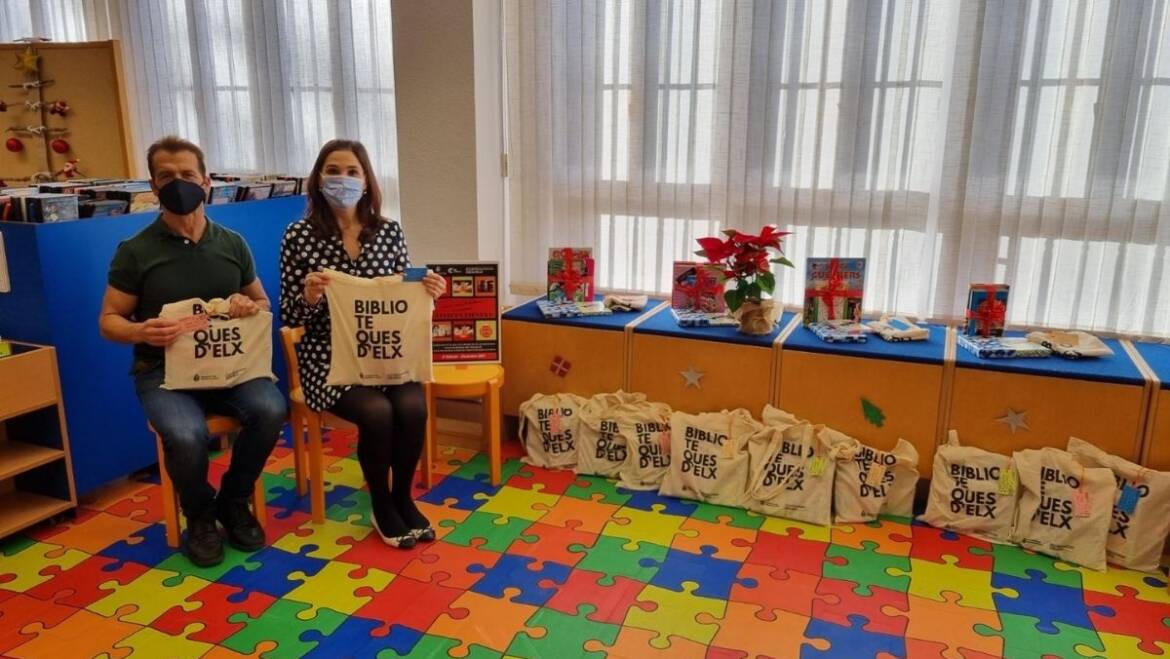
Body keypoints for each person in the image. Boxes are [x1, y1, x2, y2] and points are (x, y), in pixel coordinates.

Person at [99, 136, 287, 567]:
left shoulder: (231, 243)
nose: (178, 183)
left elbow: (262, 303)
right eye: (167, 176)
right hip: (163, 372)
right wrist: (141, 330)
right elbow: (108, 320)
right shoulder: (135, 251)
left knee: (271, 409)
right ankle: (199, 514)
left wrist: (247, 305)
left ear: (206, 182)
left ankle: (234, 501)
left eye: (187, 174)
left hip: (229, 367)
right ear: (153, 185)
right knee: (186, 435)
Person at [278, 139, 446, 548]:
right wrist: (309, 297)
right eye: (333, 171)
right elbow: (290, 316)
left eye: (352, 171)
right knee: (377, 412)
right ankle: (381, 504)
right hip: (328, 357)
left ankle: (403, 496)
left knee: (412, 406)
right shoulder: (298, 235)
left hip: (386, 352)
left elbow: (404, 293)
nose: (343, 179)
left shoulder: (388, 232)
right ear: (319, 179)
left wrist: (429, 290)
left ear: (367, 180)